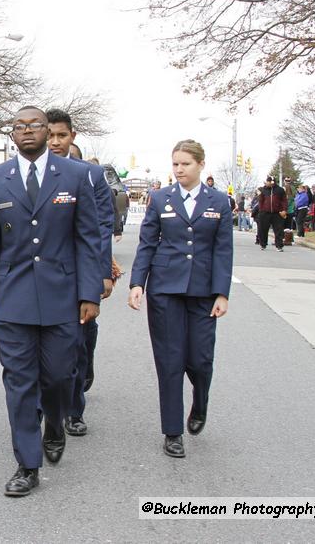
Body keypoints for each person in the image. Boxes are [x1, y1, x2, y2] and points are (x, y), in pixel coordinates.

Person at [0, 106, 102, 498]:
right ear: (11, 134)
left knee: (60, 376)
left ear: (49, 131)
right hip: (12, 298)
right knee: (19, 381)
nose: (26, 131)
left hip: (62, 296)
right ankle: (27, 464)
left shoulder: (78, 176)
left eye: (34, 125)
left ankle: (55, 423)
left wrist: (89, 293)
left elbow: (88, 238)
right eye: (19, 126)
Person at [128, 139, 232, 459]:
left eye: (185, 164)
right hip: (165, 290)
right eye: (175, 164)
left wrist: (222, 293)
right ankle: (172, 431)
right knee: (170, 362)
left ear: (201, 164)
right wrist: (137, 283)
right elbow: (148, 243)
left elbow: (222, 250)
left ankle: (199, 403)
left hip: (202, 292)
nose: (179, 169)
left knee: (200, 361)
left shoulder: (219, 202)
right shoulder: (160, 198)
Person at [46, 108, 115, 437]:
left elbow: (100, 227)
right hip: (45, 277)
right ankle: (49, 410)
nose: (55, 142)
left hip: (79, 273)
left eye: (61, 135)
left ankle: (74, 409)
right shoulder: (31, 174)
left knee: (78, 342)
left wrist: (102, 273)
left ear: (72, 137)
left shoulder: (90, 176)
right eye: (50, 135)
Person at [256, 176, 286, 251]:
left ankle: (279, 245)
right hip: (265, 213)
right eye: (266, 181)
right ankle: (263, 244)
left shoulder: (280, 190)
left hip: (277, 213)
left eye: (268, 181)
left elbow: (284, 201)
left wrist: (284, 210)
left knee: (278, 229)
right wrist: (261, 210)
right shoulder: (263, 190)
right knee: (263, 229)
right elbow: (260, 201)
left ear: (272, 182)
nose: (266, 183)